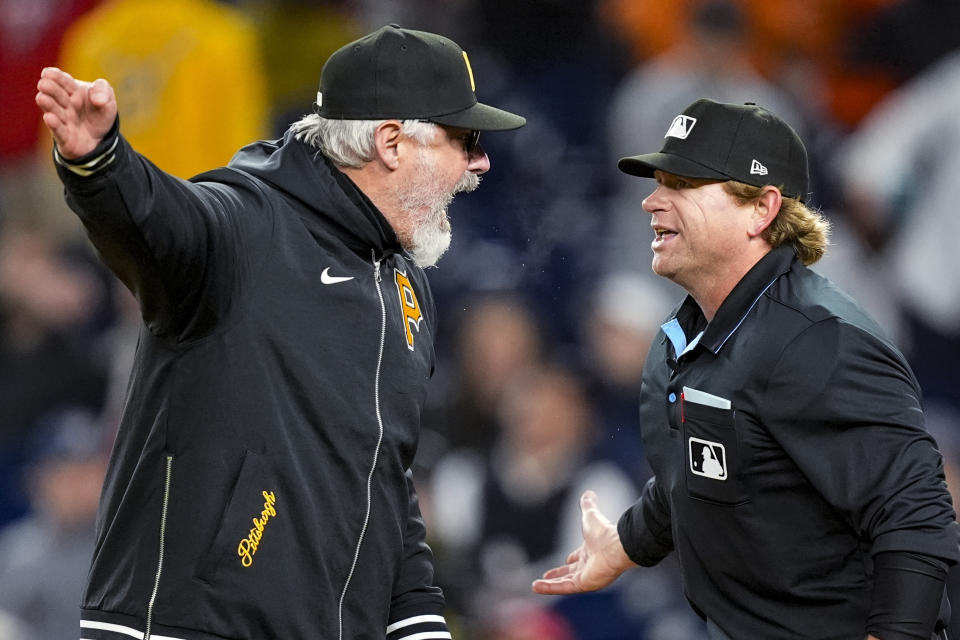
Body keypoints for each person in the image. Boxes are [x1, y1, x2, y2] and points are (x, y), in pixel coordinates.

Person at [35, 23, 524, 640]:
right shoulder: (246, 225)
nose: (479, 161)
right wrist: (103, 165)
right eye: (465, 138)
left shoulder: (406, 285)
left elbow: (385, 484)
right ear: (393, 142)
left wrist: (421, 626)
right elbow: (159, 223)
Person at [531, 98, 959, 639]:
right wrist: (628, 543)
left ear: (761, 208)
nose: (651, 202)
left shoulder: (819, 341)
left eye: (682, 185)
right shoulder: (684, 337)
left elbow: (915, 518)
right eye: (658, 182)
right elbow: (704, 472)